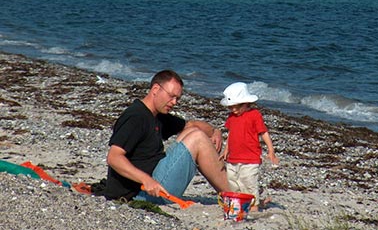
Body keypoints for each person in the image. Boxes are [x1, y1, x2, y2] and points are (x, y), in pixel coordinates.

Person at [104, 69, 230, 203]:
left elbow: (191, 124)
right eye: (171, 96)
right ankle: (235, 197)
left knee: (192, 131)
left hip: (154, 180)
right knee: (197, 138)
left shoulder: (156, 116)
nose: (174, 102)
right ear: (155, 89)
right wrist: (146, 180)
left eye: (177, 98)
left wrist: (215, 131)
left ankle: (232, 194)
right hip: (140, 193)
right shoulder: (136, 117)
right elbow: (114, 157)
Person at [219, 82, 279, 211]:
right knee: (233, 181)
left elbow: (263, 132)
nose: (234, 110)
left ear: (246, 103)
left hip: (250, 157)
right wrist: (226, 150)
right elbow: (231, 134)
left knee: (249, 182)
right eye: (231, 107)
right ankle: (240, 203)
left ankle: (254, 206)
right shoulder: (232, 117)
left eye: (237, 106)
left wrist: (271, 150)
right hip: (233, 157)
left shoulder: (254, 115)